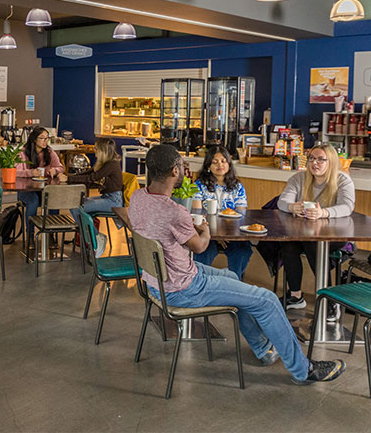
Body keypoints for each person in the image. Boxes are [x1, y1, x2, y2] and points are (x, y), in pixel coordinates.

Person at [128, 144, 345, 385]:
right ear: (174, 171)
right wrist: (205, 230)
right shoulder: (174, 211)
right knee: (268, 299)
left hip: (157, 283)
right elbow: (200, 246)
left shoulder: (138, 197)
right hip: (183, 288)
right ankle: (303, 370)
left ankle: (263, 348)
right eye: (181, 166)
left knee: (233, 278)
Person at [277, 143, 355, 321]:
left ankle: (329, 300)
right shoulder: (299, 178)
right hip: (304, 233)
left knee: (313, 243)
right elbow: (282, 202)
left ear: (332, 162)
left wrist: (324, 213)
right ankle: (296, 296)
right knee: (288, 244)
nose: (315, 163)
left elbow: (347, 207)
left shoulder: (343, 180)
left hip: (337, 234)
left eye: (321, 159)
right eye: (312, 158)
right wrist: (292, 206)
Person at [190, 145, 253, 279]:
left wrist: (226, 234)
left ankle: (235, 284)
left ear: (229, 164)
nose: (220, 165)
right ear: (208, 165)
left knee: (242, 250)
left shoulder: (237, 187)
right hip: (207, 232)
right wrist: (217, 236)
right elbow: (197, 213)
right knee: (202, 251)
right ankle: (200, 282)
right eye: (215, 162)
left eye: (223, 161)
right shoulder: (198, 185)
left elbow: (241, 216)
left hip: (232, 234)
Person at [68, 138, 123, 256]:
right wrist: (70, 177)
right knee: (75, 205)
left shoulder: (112, 164)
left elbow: (92, 177)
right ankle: (92, 238)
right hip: (107, 198)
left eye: (96, 148)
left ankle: (96, 237)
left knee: (76, 208)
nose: (94, 151)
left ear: (103, 150)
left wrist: (68, 179)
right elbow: (89, 173)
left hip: (113, 201)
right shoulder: (106, 163)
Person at [16, 127, 67, 239]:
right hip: (26, 189)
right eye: (42, 138)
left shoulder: (49, 152)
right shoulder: (23, 153)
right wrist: (30, 172)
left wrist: (55, 170)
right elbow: (16, 172)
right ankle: (30, 236)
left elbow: (60, 167)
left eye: (47, 138)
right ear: (34, 139)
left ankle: (51, 234)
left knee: (53, 199)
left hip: (44, 189)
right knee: (33, 201)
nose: (45, 141)